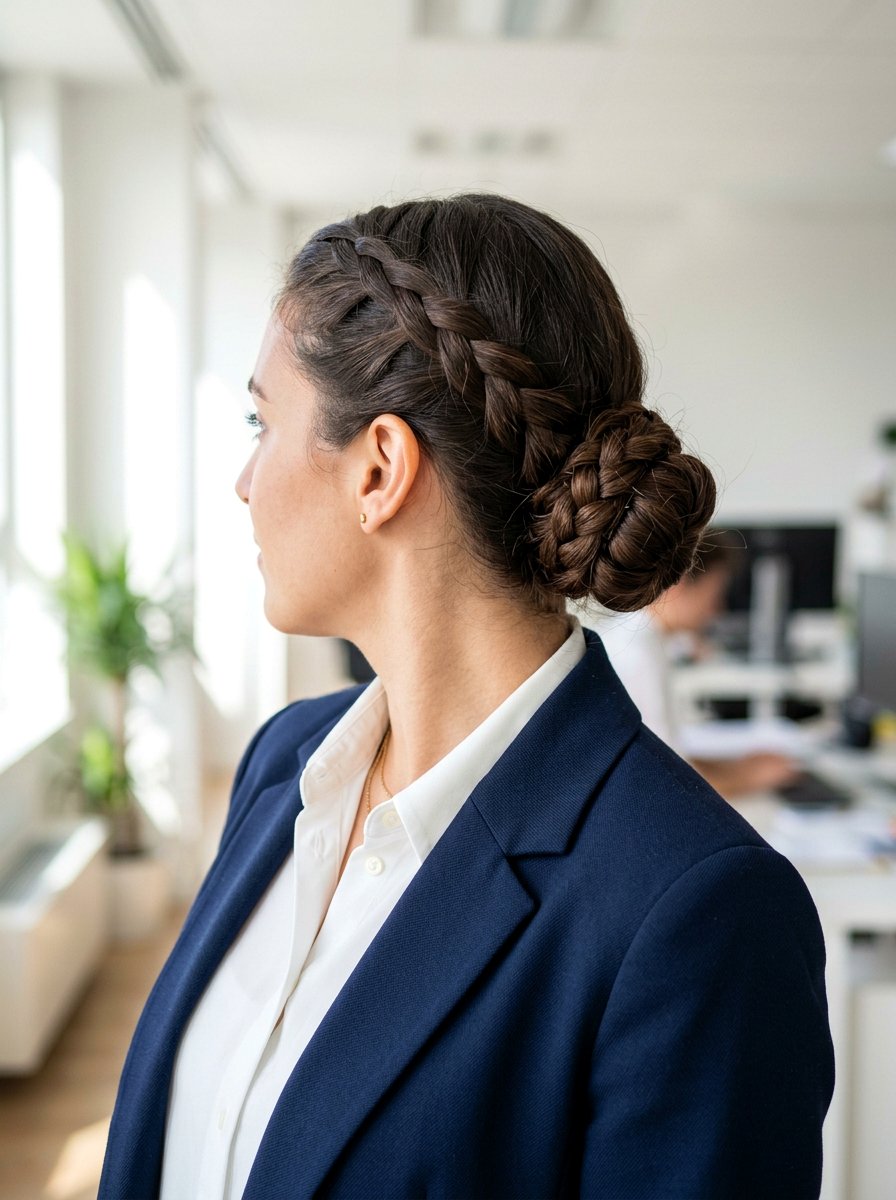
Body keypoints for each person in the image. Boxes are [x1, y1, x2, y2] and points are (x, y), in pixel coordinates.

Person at [100, 195, 833, 1200]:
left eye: (259, 422)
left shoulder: (693, 916)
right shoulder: (285, 767)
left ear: (380, 469)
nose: (242, 479)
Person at [595, 537, 802, 798]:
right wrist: (750, 777)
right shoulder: (637, 656)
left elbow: (670, 755)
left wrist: (738, 767)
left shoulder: (639, 638)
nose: (717, 609)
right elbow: (666, 782)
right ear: (679, 584)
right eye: (713, 594)